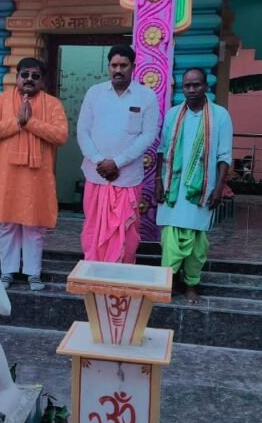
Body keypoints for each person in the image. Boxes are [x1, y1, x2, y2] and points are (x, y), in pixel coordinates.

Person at [0, 57, 68, 291]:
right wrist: (17, 121)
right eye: (24, 75)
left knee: (34, 226)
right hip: (6, 175)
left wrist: (31, 122)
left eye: (35, 76)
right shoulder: (1, 100)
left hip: (37, 177)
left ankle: (33, 273)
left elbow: (60, 135)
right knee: (7, 225)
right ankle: (7, 271)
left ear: (42, 81)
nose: (29, 79)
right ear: (17, 77)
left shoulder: (53, 104)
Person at [77, 44, 161, 263]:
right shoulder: (95, 93)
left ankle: (120, 272)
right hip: (96, 175)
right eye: (114, 65)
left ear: (133, 67)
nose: (118, 70)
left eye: (123, 65)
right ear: (108, 67)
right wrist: (99, 161)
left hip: (128, 178)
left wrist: (117, 162)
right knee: (94, 229)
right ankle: (93, 272)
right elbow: (83, 131)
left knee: (126, 233)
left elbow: (148, 135)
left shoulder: (146, 96)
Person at [154, 68, 233, 302]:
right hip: (172, 188)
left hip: (202, 189)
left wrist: (218, 187)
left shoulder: (220, 116)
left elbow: (224, 156)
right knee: (171, 240)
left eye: (196, 85)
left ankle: (191, 284)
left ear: (206, 86)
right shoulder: (173, 115)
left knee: (197, 243)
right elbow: (161, 150)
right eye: (187, 86)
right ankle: (171, 281)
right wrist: (158, 181)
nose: (191, 90)